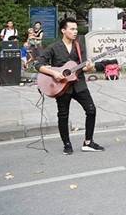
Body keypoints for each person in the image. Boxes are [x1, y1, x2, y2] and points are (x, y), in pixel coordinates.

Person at [34, 17, 104, 155]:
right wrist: (53, 73)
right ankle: (66, 144)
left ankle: (88, 142)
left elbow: (84, 67)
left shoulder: (80, 47)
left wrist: (90, 68)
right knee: (63, 115)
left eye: (76, 29)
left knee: (91, 110)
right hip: (61, 87)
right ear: (63, 30)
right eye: (72, 29)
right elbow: (38, 65)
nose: (75, 31)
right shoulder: (54, 47)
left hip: (79, 84)